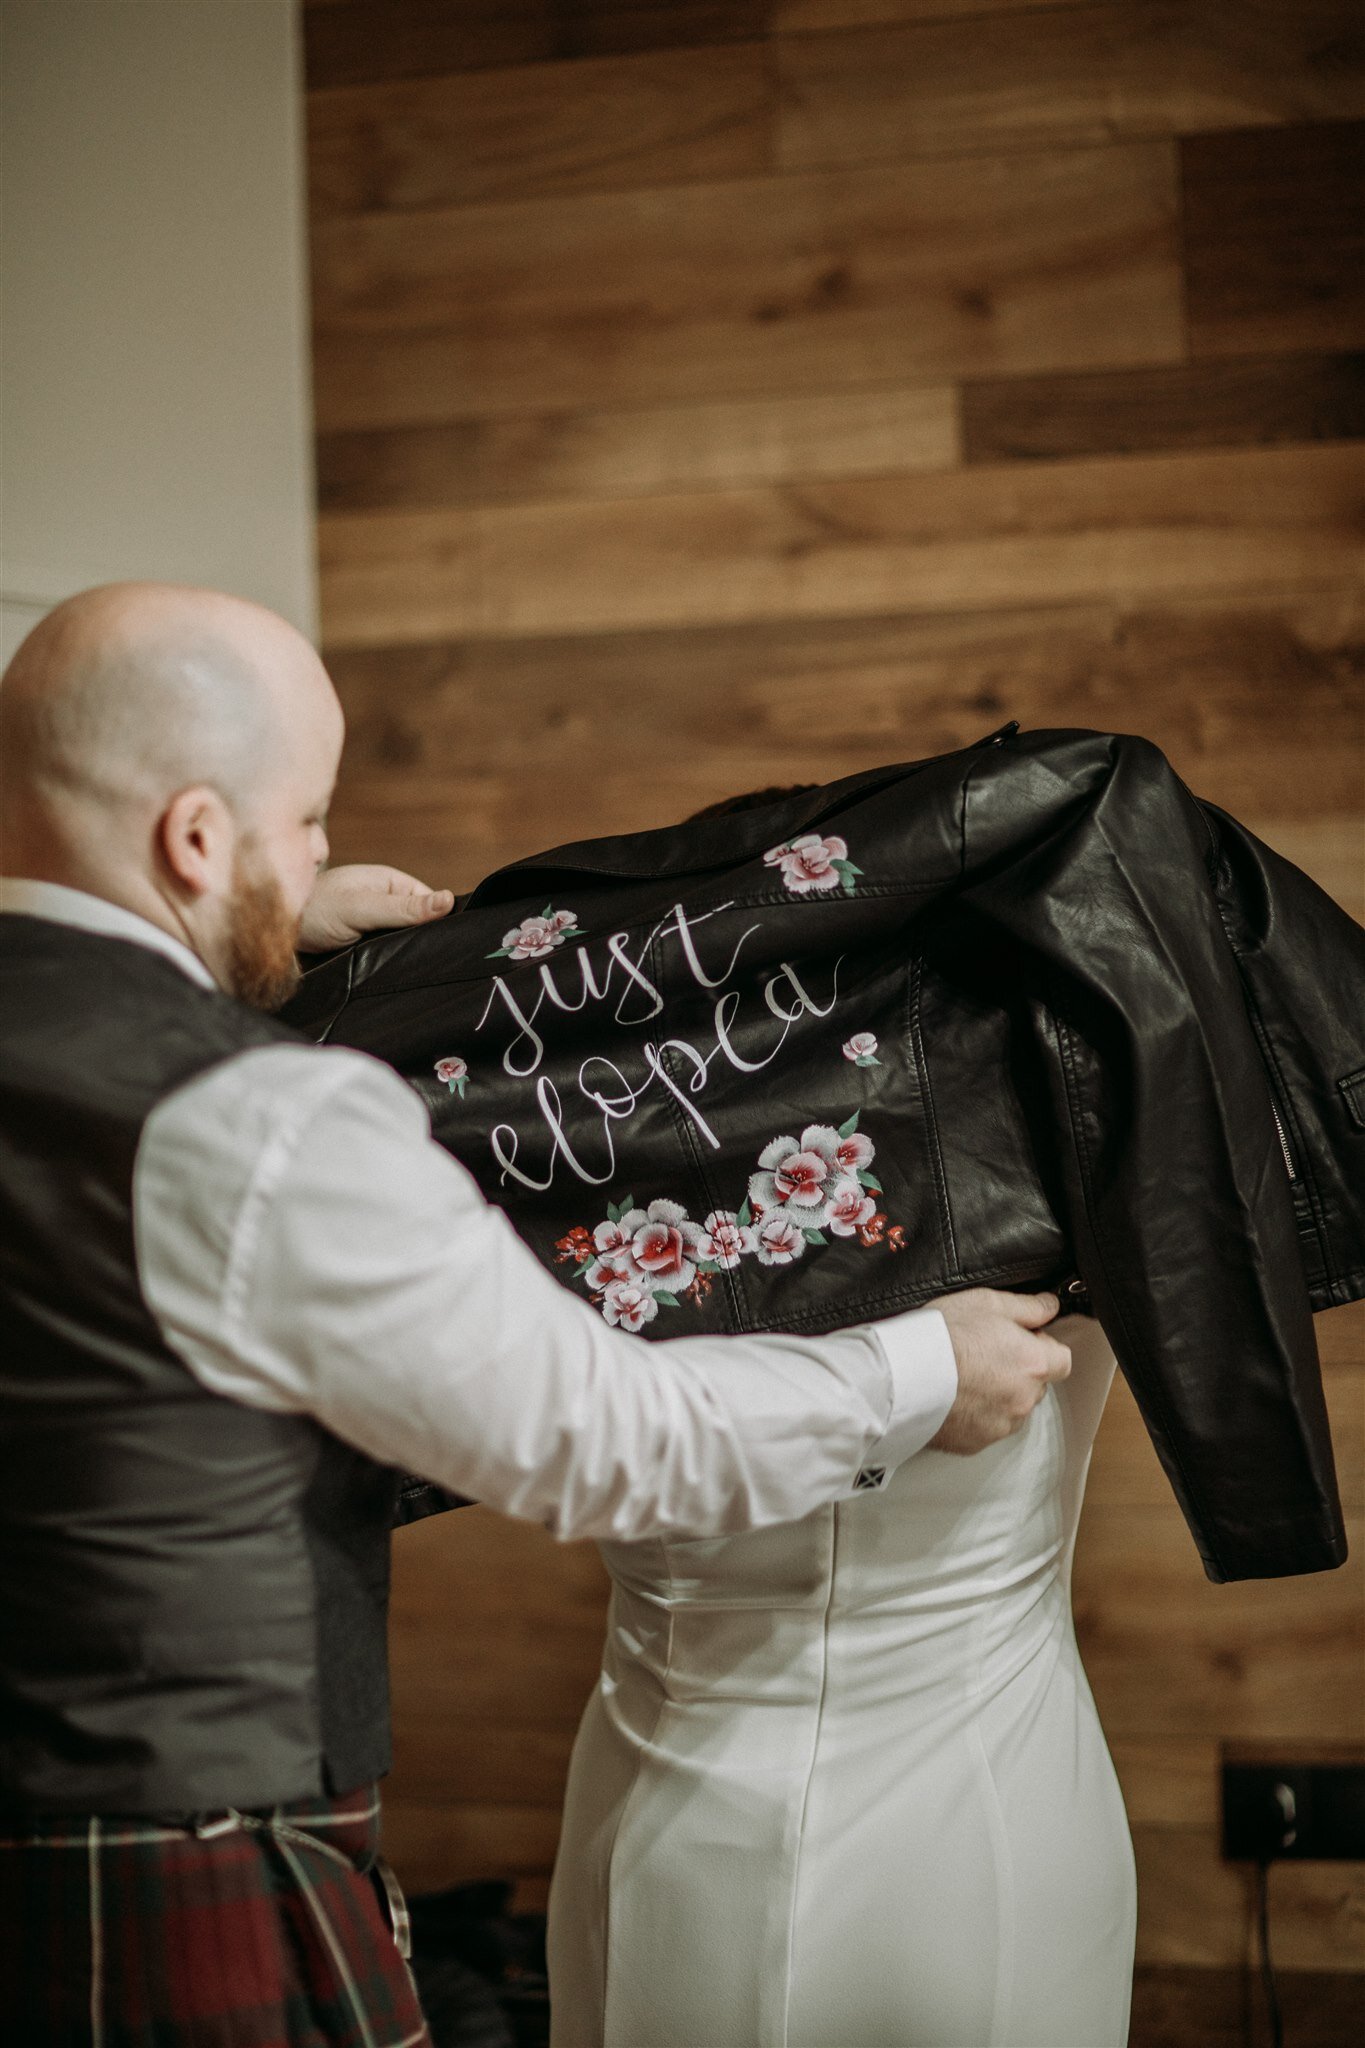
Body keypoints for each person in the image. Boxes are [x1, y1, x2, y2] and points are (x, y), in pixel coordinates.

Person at [0, 583, 1072, 2048]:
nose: (320, 856)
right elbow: (601, 1438)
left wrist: (231, 925)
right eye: (303, 821)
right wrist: (909, 1368)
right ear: (193, 838)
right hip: (177, 1855)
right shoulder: (253, 1119)